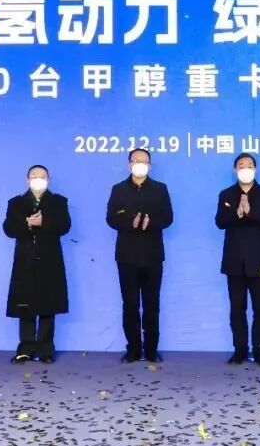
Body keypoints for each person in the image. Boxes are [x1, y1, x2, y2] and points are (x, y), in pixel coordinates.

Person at [106, 148, 173, 363]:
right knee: (130, 304)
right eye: (136, 160)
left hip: (153, 255)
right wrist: (129, 223)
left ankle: (151, 350)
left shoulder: (160, 189)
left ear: (150, 165)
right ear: (129, 165)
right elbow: (111, 218)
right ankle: (133, 350)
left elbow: (168, 217)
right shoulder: (118, 190)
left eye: (144, 161)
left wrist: (150, 223)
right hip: (127, 256)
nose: (140, 164)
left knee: (152, 304)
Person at [4, 165, 71, 364]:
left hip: (50, 260)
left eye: (42, 176)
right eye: (34, 176)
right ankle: (25, 349)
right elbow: (8, 228)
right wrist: (26, 223)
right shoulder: (16, 203)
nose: (38, 179)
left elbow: (65, 225)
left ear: (48, 180)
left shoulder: (58, 201)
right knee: (24, 306)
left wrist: (44, 222)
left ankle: (46, 350)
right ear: (27, 180)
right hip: (25, 260)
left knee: (48, 305)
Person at [215, 153, 260, 367]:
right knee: (237, 310)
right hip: (234, 262)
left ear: (255, 169)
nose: (246, 169)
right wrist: (237, 214)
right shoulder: (226, 194)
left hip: (259, 261)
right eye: (241, 165)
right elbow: (220, 222)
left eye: (250, 165)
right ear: (235, 170)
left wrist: (250, 212)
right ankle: (239, 351)